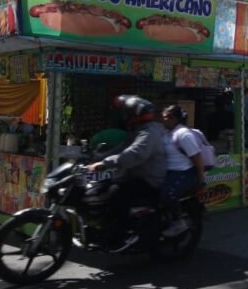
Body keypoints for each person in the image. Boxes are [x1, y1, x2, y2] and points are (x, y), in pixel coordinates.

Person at [87, 95, 167, 250]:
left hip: (148, 180)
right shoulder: (137, 131)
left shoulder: (149, 133)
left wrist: (103, 163)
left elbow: (132, 155)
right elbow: (122, 147)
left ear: (136, 115)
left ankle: (121, 235)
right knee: (98, 188)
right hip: (134, 175)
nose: (125, 117)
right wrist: (97, 157)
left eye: (127, 113)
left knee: (116, 193)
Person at [160, 104, 205, 237]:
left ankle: (178, 221)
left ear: (173, 118)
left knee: (167, 194)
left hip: (183, 173)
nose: (162, 120)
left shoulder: (183, 135)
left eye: (164, 117)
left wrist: (201, 179)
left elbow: (197, 158)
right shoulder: (168, 134)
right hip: (169, 172)